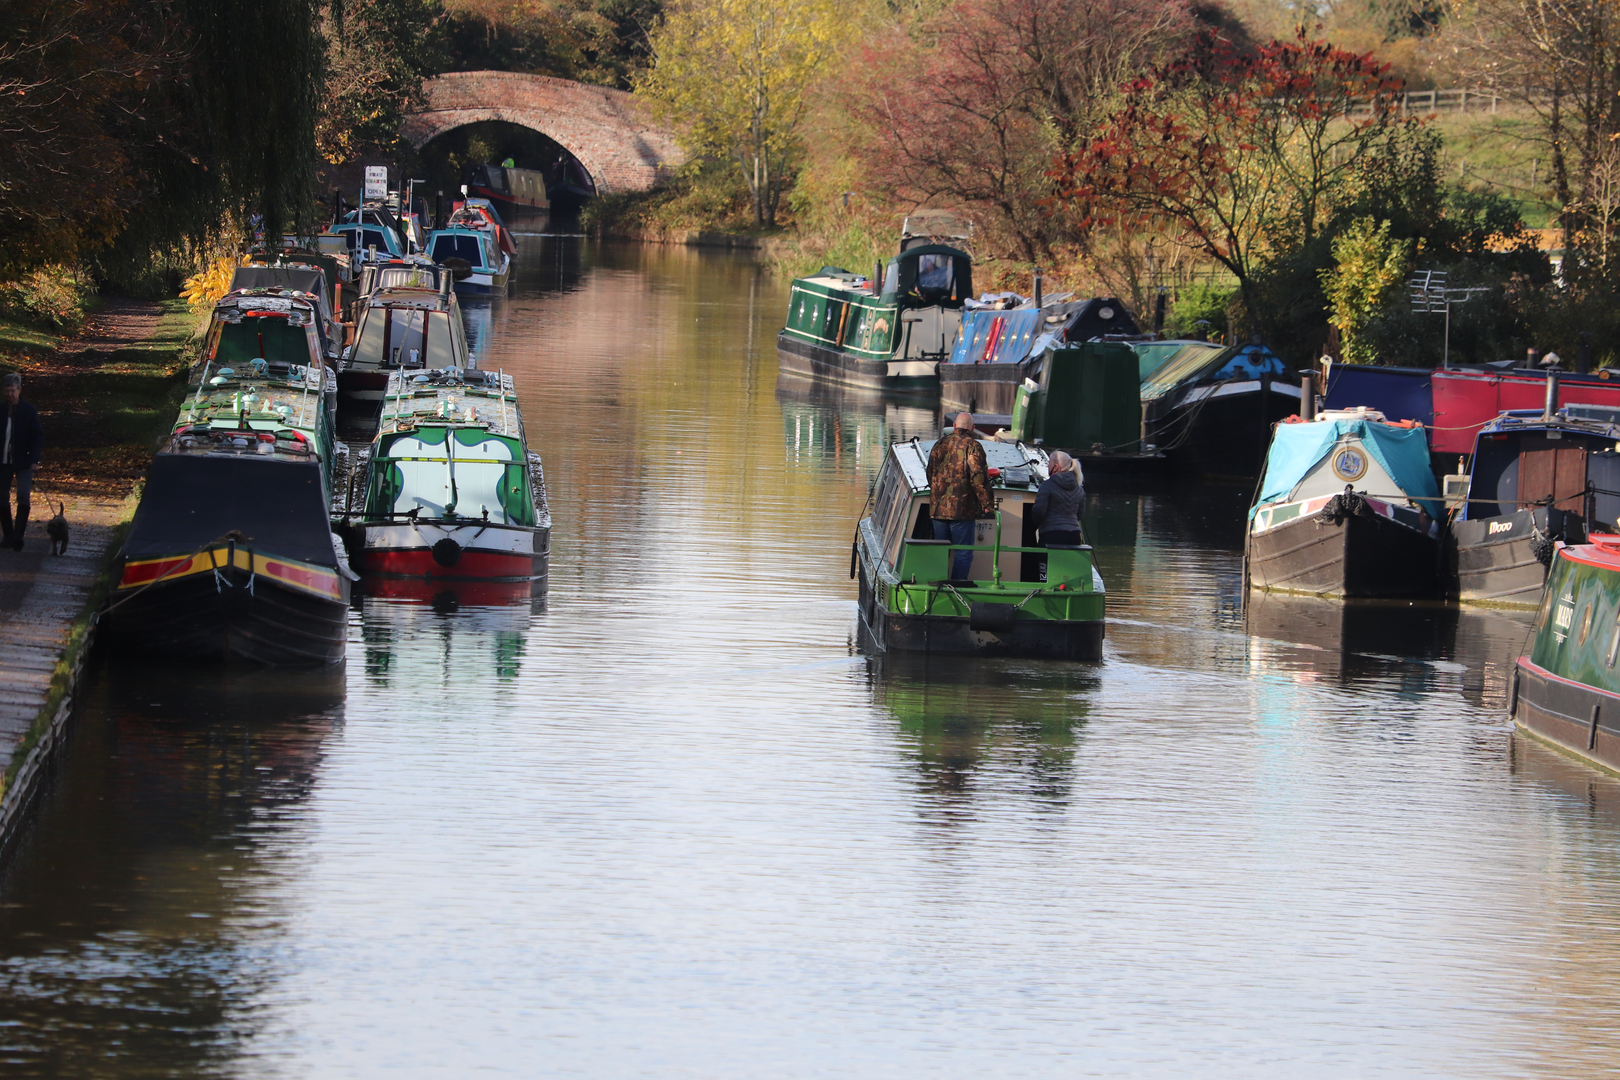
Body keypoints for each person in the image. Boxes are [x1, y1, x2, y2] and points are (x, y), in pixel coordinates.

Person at [927, 412, 992, 580]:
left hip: (938, 508)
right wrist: (987, 503)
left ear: (954, 426)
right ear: (973, 428)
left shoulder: (939, 444)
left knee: (941, 551)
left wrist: (937, 494)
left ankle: (938, 585)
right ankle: (957, 587)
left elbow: (930, 473)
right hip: (962, 510)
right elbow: (978, 477)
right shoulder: (973, 446)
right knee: (963, 552)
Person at [0, 373, 43, 551]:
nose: (10, 394)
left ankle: (19, 535)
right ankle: (8, 536)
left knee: (23, 495)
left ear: (19, 390)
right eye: (7, 391)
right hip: (3, 461)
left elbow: (37, 436)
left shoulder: (29, 411)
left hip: (24, 461)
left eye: (13, 391)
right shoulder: (1, 410)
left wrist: (34, 460)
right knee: (2, 498)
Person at [1031, 451, 1084, 548]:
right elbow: (1079, 515)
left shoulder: (1047, 485)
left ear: (1055, 467)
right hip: (1074, 535)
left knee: (1046, 562)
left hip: (1052, 534)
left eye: (1049, 464)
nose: (1048, 467)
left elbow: (1038, 511)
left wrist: (1035, 525)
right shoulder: (1079, 488)